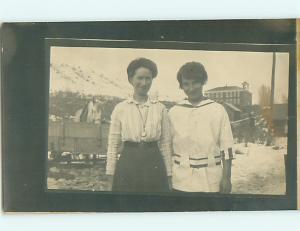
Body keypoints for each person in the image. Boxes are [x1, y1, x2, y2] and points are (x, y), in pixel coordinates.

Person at [106, 57, 172, 192]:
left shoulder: (160, 108)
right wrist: (110, 177)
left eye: (148, 78)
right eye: (140, 78)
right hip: (128, 163)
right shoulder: (121, 108)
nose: (144, 83)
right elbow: (113, 145)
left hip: (154, 163)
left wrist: (169, 175)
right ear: (131, 79)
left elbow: (165, 144)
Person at [168, 62, 234, 193]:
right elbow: (167, 148)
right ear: (181, 86)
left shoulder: (218, 110)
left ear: (203, 82)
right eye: (186, 84)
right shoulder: (173, 112)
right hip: (181, 181)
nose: (191, 88)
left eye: (195, 82)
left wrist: (226, 177)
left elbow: (226, 147)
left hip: (210, 181)